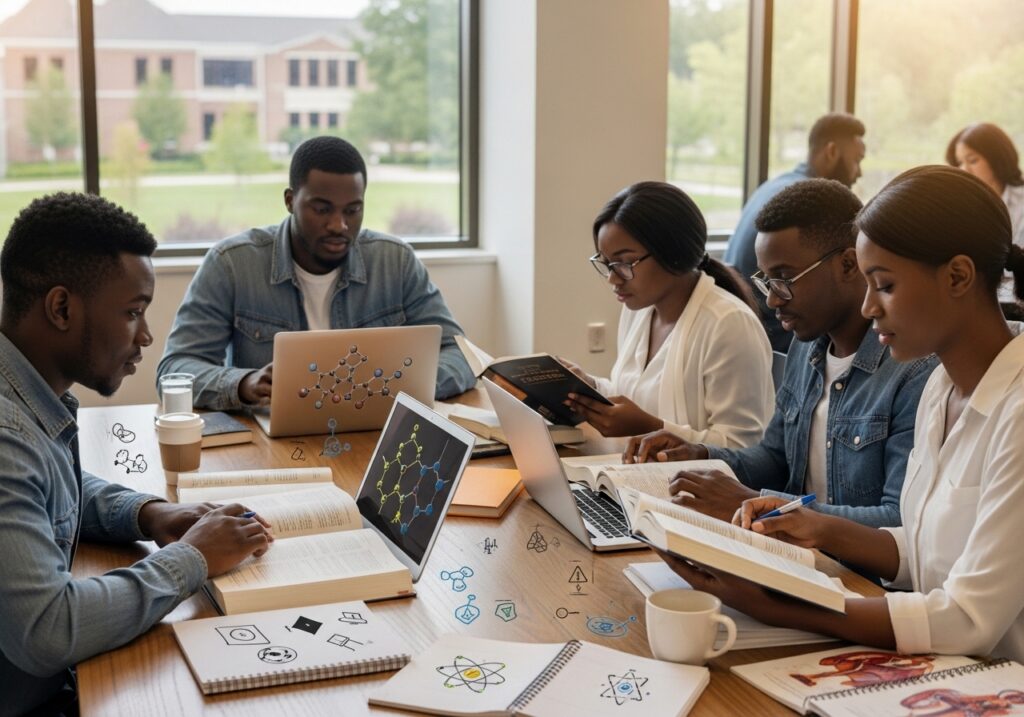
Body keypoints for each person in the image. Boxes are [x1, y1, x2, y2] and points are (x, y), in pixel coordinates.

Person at [660, 165, 1024, 661]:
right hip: (946, 666)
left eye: (886, 285)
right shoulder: (943, 386)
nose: (870, 307)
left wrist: (784, 608)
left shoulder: (1014, 409)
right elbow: (921, 550)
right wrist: (813, 525)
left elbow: (967, 619)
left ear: (958, 276)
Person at [0, 193, 274, 715]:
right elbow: (48, 632)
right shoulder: (6, 434)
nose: (147, 336)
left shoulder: (23, 391)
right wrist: (193, 557)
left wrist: (151, 514)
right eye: (132, 313)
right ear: (61, 308)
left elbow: (51, 487)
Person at [622, 180, 937, 528]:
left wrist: (759, 503)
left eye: (785, 279)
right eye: (767, 281)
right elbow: (775, 457)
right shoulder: (807, 347)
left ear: (849, 265)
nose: (773, 300)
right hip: (791, 550)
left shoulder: (912, 371)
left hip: (854, 575)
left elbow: (898, 522)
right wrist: (703, 455)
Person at [158, 136, 475, 411]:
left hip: (372, 437)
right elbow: (175, 370)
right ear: (290, 200)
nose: (339, 225)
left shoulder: (396, 262)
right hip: (271, 450)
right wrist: (244, 383)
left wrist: (404, 387)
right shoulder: (232, 265)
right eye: (322, 209)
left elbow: (461, 355)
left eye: (352, 209)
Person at [562, 181, 774, 445]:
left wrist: (653, 427)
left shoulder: (728, 324)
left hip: (685, 485)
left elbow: (743, 448)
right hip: (632, 477)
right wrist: (590, 389)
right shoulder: (638, 311)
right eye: (607, 264)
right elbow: (634, 396)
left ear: (673, 251)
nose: (613, 280)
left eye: (625, 263)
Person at [724, 113, 866, 351]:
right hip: (777, 336)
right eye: (857, 160)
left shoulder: (775, 187)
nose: (859, 172)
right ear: (831, 152)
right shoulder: (806, 207)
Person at [946, 122, 1024, 305]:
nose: (964, 170)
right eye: (959, 163)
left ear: (998, 160)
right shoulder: (958, 207)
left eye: (972, 160)